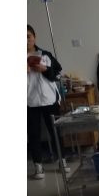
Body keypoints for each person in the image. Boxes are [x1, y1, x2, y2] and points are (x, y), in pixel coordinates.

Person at [27, 25, 67, 180]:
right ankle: (38, 165)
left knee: (55, 131)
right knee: (33, 134)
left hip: (49, 100)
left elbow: (58, 74)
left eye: (28, 36)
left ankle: (62, 160)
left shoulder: (46, 55)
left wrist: (44, 69)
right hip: (29, 101)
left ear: (34, 37)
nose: (25, 41)